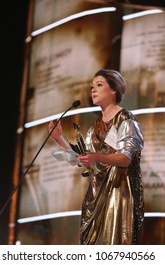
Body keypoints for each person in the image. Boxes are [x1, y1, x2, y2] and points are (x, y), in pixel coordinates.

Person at [48, 69, 144, 245]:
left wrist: (96, 156)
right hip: (95, 196)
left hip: (117, 194)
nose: (93, 90)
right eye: (92, 86)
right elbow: (83, 159)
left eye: (99, 85)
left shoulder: (126, 120)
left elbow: (125, 158)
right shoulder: (94, 127)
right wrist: (59, 138)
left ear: (114, 90)